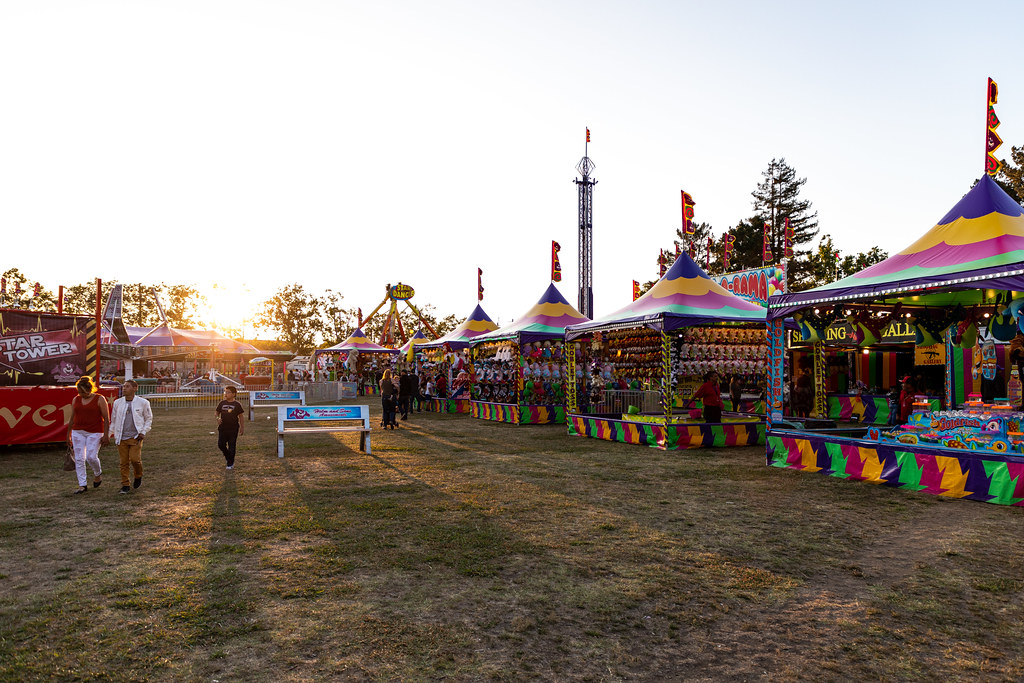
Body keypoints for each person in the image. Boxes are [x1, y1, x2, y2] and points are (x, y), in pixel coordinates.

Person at [66, 376, 110, 495]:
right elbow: (72, 418)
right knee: (79, 458)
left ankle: (97, 474)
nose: (81, 394)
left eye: (83, 392)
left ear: (90, 389)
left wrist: (106, 435)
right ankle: (82, 485)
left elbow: (106, 418)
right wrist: (68, 434)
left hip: (95, 431)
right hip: (77, 431)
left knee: (91, 456)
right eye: (79, 392)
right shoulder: (76, 399)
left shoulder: (100, 399)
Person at [109, 379, 153, 494]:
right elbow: (113, 420)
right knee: (123, 462)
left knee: (135, 459)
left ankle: (138, 475)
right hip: (121, 437)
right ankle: (125, 485)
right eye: (123, 386)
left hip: (135, 436)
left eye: (127, 386)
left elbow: (148, 418)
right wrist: (109, 434)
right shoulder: (118, 403)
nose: (124, 388)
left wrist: (143, 432)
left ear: (135, 388)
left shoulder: (143, 402)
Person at [215, 386, 245, 470]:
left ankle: (230, 463)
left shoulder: (237, 404)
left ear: (233, 394)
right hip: (223, 428)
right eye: (225, 392)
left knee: (232, 445)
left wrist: (242, 428)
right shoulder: (222, 403)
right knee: (221, 445)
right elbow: (216, 412)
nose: (226, 394)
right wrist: (218, 418)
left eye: (228, 392)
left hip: (233, 428)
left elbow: (241, 417)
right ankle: (228, 457)